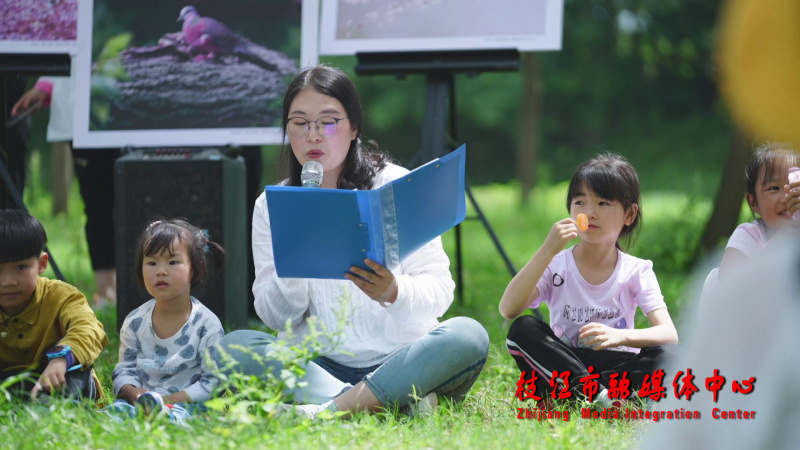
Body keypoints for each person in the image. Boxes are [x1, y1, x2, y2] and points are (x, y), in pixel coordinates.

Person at [213, 65, 489, 419]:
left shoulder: (396, 184)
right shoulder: (272, 205)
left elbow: (440, 290)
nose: (314, 136)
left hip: (401, 357)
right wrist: (296, 254)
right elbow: (276, 318)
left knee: (468, 335)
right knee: (233, 347)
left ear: (354, 127)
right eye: (299, 123)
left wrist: (393, 291)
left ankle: (325, 412)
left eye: (328, 122)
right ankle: (385, 403)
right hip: (317, 365)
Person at [499, 153, 679, 407]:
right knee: (522, 329)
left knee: (670, 355)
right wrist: (547, 250)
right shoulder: (556, 264)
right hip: (563, 362)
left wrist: (619, 336)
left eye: (603, 203)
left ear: (629, 214)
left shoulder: (636, 271)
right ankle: (598, 396)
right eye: (580, 202)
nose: (589, 212)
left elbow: (668, 334)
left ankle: (583, 395)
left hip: (616, 365)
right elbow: (508, 308)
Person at [12, 60, 120, 306]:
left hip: (134, 112)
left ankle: (147, 284)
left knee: (140, 201)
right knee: (98, 206)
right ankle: (107, 292)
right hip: (82, 117)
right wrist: (46, 86)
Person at [103, 219, 226, 423]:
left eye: (173, 262)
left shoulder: (207, 325)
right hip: (140, 401)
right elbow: (125, 369)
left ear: (194, 268)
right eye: (151, 263)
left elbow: (213, 381)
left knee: (183, 416)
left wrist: (167, 401)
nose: (160, 271)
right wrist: (135, 394)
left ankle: (165, 416)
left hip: (187, 404)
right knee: (116, 411)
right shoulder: (135, 321)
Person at [0, 209, 109, 401]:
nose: (8, 281)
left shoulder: (62, 296)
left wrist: (62, 358)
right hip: (8, 384)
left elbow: (89, 328)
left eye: (20, 267)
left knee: (75, 366)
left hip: (58, 377)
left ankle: (51, 407)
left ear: (42, 264)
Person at [718, 142, 800, 279]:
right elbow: (727, 285)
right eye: (774, 188)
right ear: (754, 203)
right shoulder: (748, 237)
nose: (787, 197)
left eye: (795, 187)